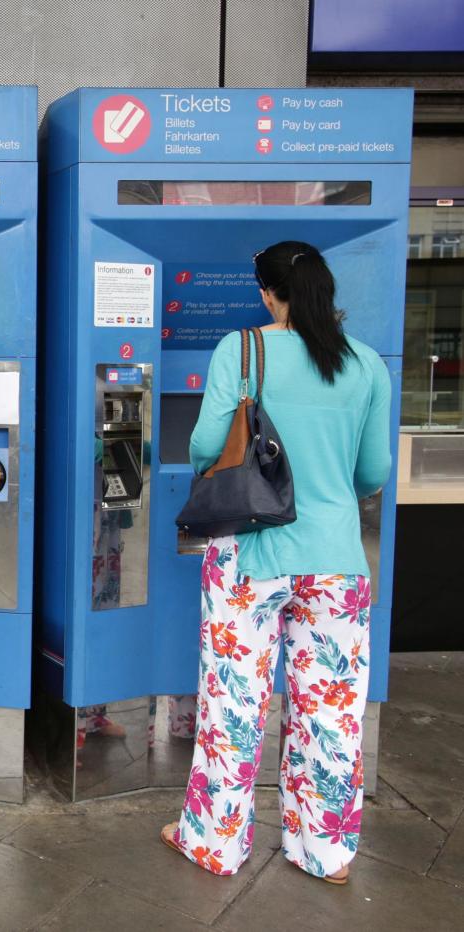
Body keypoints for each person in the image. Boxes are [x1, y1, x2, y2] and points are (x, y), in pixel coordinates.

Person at [161, 241, 391, 885]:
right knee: (333, 709)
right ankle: (326, 852)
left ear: (266, 292)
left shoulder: (243, 350)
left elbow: (207, 445)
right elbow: (373, 472)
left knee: (234, 704)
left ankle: (214, 843)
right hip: (337, 562)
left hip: (252, 554)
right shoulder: (368, 365)